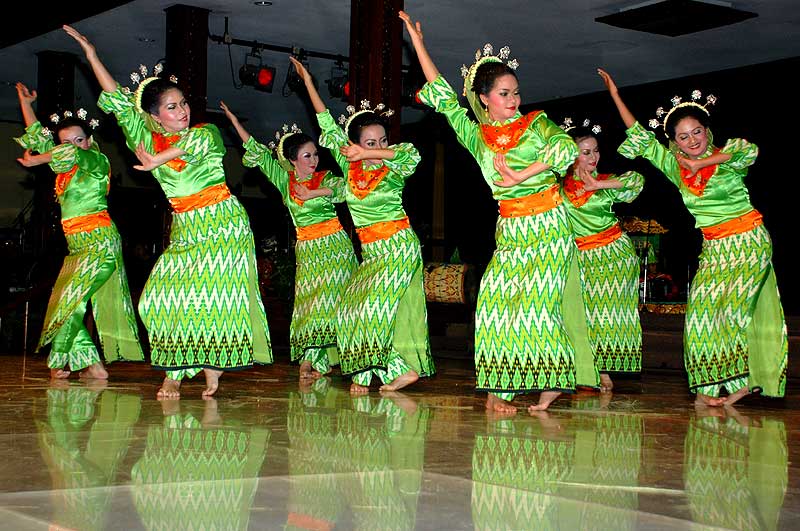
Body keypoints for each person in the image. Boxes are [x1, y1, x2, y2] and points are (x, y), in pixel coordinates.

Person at [401, 11, 597, 413]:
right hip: (511, 227)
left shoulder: (536, 124)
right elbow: (440, 93)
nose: (514, 99)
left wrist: (520, 174)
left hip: (548, 224)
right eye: (505, 93)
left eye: (516, 92)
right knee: (495, 303)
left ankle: (551, 379)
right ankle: (499, 387)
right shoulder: (475, 134)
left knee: (539, 305)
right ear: (484, 98)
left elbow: (563, 151)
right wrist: (418, 44)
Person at [64, 25, 272, 398]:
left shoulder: (205, 133)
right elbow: (117, 99)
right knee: (159, 298)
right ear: (155, 116)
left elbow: (189, 145)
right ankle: (182, 365)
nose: (183, 111)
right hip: (187, 227)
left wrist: (157, 159)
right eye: (173, 107)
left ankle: (197, 369)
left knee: (218, 299)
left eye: (184, 103)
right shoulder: (144, 136)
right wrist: (92, 55)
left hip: (223, 222)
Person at [599, 68, 787, 406]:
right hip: (714, 247)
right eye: (683, 136)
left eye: (697, 131)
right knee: (700, 316)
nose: (692, 140)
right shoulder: (674, 164)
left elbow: (749, 151)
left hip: (748, 242)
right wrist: (615, 94)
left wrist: (706, 163)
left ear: (706, 131)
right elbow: (638, 134)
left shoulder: (728, 158)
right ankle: (708, 389)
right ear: (674, 140)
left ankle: (747, 380)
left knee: (731, 313)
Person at [292, 57, 435, 394]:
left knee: (373, 309)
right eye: (370, 143)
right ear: (354, 145)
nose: (379, 147)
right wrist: (309, 82)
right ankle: (374, 369)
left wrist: (376, 154)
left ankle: (394, 370)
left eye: (382, 141)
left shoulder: (393, 167)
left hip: (398, 246)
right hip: (371, 252)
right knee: (350, 309)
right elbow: (326, 124)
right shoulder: (349, 165)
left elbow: (410, 154)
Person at [14, 82, 144, 379]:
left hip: (100, 241)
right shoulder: (63, 167)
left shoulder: (97, 161)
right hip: (76, 245)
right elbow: (43, 141)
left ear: (89, 140)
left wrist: (35, 159)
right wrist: (26, 106)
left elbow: (63, 155)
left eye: (78, 140)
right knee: (66, 302)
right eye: (66, 142)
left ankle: (58, 360)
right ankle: (92, 363)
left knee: (73, 300)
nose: (72, 146)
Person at [220, 101, 357, 381]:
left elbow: (344, 190)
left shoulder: (326, 177)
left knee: (335, 303)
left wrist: (314, 194)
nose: (314, 160)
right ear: (293, 160)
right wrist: (235, 122)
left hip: (336, 247)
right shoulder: (285, 180)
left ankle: (337, 357)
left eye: (315, 155)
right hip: (308, 249)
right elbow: (258, 153)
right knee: (310, 304)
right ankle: (309, 359)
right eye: (307, 156)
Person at [559, 123, 644, 391]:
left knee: (611, 315)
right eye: (585, 152)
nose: (593, 157)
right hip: (582, 258)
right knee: (585, 316)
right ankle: (589, 370)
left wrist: (599, 183)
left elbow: (636, 182)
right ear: (571, 156)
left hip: (616, 255)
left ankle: (606, 371)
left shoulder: (606, 182)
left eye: (595, 151)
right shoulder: (558, 190)